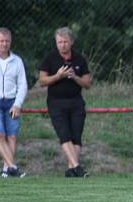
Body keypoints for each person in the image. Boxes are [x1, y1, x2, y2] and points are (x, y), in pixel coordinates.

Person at [39, 27, 93, 177]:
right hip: (56, 103)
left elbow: (87, 84)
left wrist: (75, 77)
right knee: (64, 134)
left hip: (76, 102)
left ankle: (71, 170)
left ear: (71, 42)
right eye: (59, 42)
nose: (62, 45)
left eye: (65, 42)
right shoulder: (50, 59)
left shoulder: (79, 59)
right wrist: (58, 76)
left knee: (76, 136)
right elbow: (42, 81)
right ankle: (77, 167)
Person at [0, 28, 28, 178]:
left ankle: (6, 170)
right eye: (1, 41)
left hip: (12, 102)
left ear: (10, 42)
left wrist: (17, 104)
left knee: (12, 137)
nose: (4, 44)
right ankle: (13, 167)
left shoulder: (17, 61)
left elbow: (23, 85)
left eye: (7, 41)